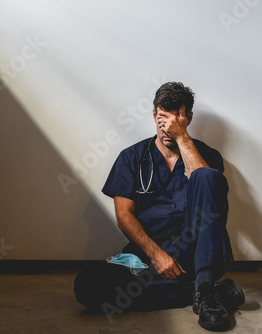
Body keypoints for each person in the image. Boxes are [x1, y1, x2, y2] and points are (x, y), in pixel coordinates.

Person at [74, 82, 244, 331]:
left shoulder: (207, 156)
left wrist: (182, 137)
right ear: (154, 115)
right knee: (88, 286)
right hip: (146, 255)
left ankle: (204, 283)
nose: (167, 128)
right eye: (163, 118)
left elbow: (206, 188)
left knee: (207, 177)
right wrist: (156, 255)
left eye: (176, 120)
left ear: (188, 119)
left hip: (193, 253)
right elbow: (124, 215)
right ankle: (207, 292)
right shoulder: (131, 157)